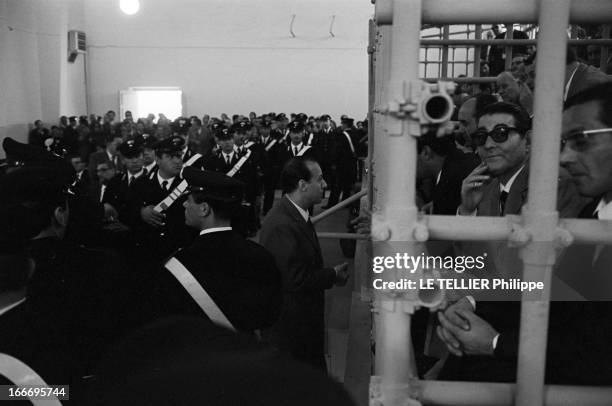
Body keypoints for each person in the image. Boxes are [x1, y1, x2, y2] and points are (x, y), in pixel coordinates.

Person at [436, 89, 610, 385]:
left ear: (528, 141)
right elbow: (556, 290)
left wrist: (494, 343)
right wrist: (472, 303)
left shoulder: (557, 190)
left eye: (581, 140)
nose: (565, 157)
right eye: (480, 136)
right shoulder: (595, 208)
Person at [151, 167, 282, 333]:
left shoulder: (178, 265)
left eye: (189, 200)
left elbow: (166, 322)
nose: (184, 204)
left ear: (204, 209)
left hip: (196, 354)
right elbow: (270, 314)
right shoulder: (260, 256)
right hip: (243, 352)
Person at [259, 157, 349, 371]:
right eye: (320, 180)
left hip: (302, 323)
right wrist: (332, 275)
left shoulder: (295, 213)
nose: (325, 185)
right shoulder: (282, 224)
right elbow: (294, 280)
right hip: (292, 329)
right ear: (302, 185)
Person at [128, 135, 197, 260]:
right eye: (171, 156)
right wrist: (141, 212)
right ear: (158, 159)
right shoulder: (140, 184)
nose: (177, 161)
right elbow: (127, 213)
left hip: (181, 252)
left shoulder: (190, 185)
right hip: (148, 252)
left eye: (179, 156)